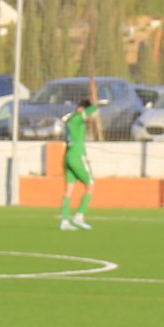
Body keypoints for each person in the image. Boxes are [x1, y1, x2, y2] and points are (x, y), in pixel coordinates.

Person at [58, 96, 98, 231]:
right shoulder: (77, 117)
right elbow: (91, 109)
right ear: (82, 109)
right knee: (91, 185)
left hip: (68, 155)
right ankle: (79, 216)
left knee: (68, 190)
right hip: (76, 155)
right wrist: (99, 103)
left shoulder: (70, 119)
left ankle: (64, 221)